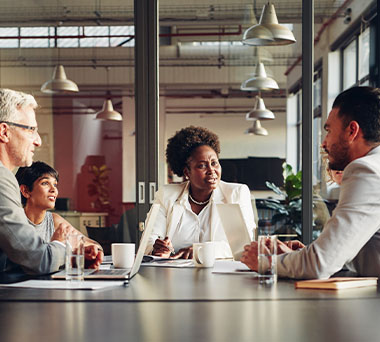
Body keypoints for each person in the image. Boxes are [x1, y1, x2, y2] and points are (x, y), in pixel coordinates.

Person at [242, 86, 380, 279]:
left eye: (329, 131)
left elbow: (320, 265)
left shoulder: (368, 170)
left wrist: (266, 263)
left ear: (352, 131)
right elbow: (344, 254)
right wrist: (300, 256)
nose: (324, 143)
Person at [0, 88, 102, 275]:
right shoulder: (2, 180)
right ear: (4, 132)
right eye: (31, 130)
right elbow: (40, 260)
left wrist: (71, 253)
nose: (38, 141)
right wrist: (62, 246)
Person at [146, 126, 256, 259]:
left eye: (214, 163)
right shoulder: (167, 195)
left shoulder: (236, 194)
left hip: (220, 275)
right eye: (202, 165)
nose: (211, 170)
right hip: (173, 273)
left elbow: (243, 246)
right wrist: (158, 250)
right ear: (187, 172)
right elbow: (148, 241)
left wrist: (201, 250)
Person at [15, 161, 102, 251]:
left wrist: (94, 251)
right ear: (25, 191)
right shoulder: (14, 222)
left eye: (55, 184)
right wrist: (57, 244)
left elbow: (94, 245)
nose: (54, 190)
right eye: (45, 183)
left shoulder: (54, 220)